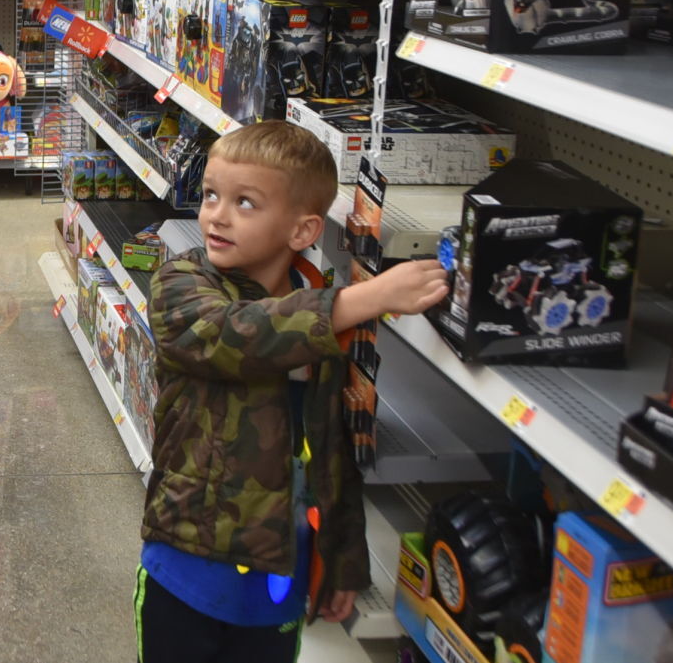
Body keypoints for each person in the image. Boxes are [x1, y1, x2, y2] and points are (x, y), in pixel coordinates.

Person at [136, 121, 448, 663]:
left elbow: (333, 452)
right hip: (186, 563)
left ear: (302, 231)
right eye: (211, 195)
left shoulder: (319, 322)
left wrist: (344, 564)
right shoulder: (181, 284)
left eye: (245, 203)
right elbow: (235, 333)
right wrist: (361, 299)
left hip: (279, 582)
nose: (217, 214)